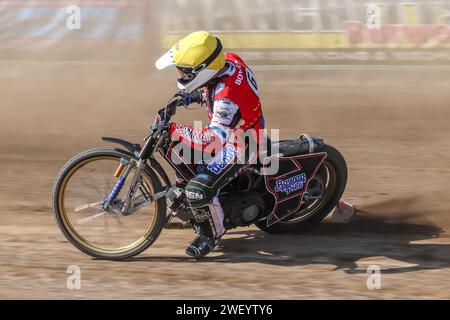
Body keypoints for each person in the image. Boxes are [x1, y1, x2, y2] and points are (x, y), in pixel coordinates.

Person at [155, 31, 265, 258]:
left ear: (203, 70)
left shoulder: (226, 98)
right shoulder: (229, 60)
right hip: (237, 128)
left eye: (185, 72)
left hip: (244, 143)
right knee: (185, 164)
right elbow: (215, 85)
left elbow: (213, 142)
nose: (181, 75)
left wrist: (175, 130)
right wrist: (195, 96)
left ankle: (211, 235)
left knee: (197, 190)